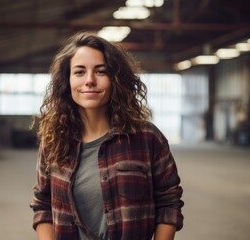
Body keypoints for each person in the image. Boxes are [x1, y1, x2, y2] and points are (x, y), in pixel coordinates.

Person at [30, 32, 184, 240]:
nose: (90, 80)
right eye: (79, 72)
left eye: (101, 71)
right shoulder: (55, 141)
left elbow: (169, 202)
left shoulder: (148, 138)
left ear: (116, 79)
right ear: (67, 81)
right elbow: (43, 203)